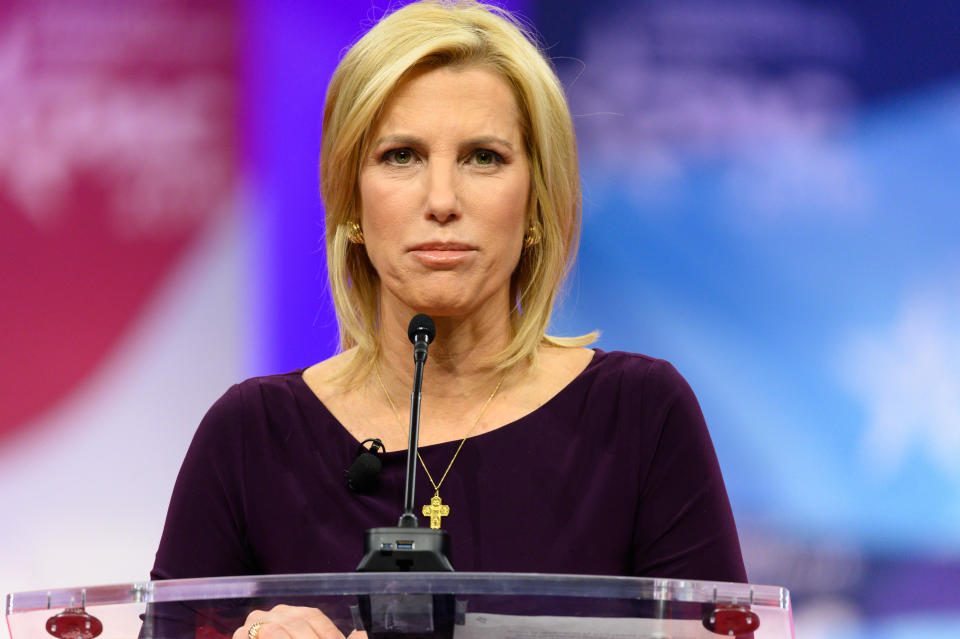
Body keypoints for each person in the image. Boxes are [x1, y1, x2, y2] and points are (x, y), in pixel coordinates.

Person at [150, 1, 746, 637]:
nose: (441, 201)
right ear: (351, 198)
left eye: (483, 157)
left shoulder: (638, 417)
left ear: (538, 199)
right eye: (402, 155)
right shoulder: (251, 437)